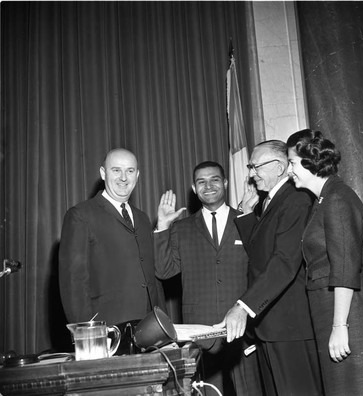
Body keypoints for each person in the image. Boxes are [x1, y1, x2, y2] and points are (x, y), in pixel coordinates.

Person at [286, 129, 363, 395]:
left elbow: (345, 267)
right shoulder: (324, 199)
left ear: (312, 162)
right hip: (339, 312)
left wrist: (339, 326)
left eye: (292, 163)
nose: (289, 170)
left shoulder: (337, 199)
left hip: (351, 315)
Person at [217, 140, 323, 396]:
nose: (251, 174)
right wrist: (245, 212)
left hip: (290, 329)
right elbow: (260, 255)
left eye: (256, 167)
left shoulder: (295, 199)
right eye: (250, 167)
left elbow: (284, 262)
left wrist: (243, 307)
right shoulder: (272, 201)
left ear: (279, 167)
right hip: (270, 328)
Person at [154, 161, 262, 396]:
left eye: (214, 179)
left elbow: (262, 270)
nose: (208, 186)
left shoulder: (246, 220)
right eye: (201, 181)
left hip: (243, 329)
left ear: (224, 183)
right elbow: (164, 271)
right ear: (194, 188)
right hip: (202, 335)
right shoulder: (181, 228)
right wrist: (162, 226)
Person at [59, 148, 160, 325]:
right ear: (103, 173)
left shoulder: (142, 218)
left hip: (149, 327)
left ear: (137, 175)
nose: (123, 178)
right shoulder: (81, 215)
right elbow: (74, 284)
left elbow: (152, 278)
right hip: (107, 330)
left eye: (130, 171)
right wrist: (88, 336)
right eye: (116, 170)